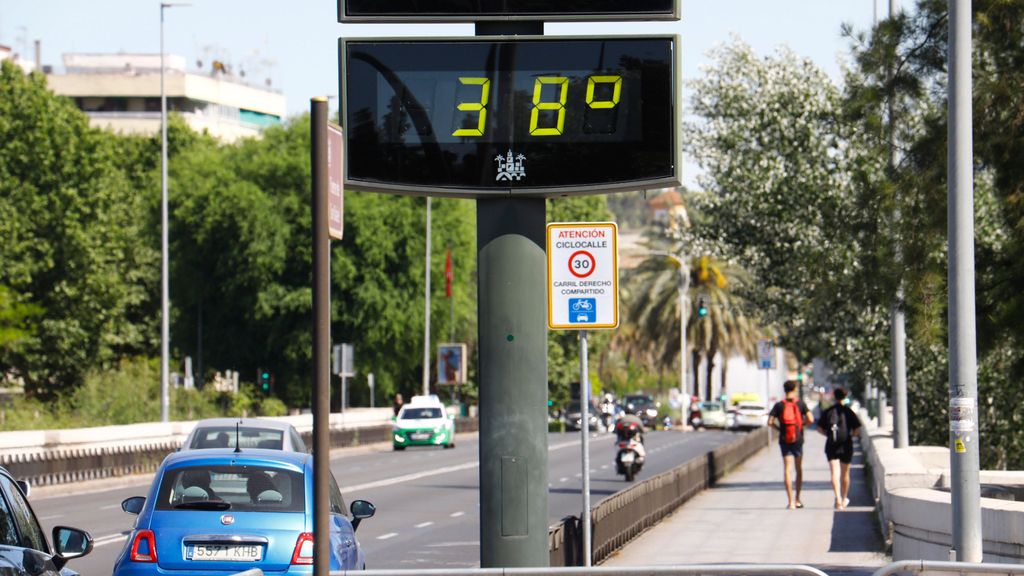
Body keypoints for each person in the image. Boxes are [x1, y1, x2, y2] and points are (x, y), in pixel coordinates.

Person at [768, 380, 814, 509]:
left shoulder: (779, 405)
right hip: (798, 440)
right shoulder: (800, 404)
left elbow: (770, 422)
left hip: (784, 439)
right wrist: (801, 426)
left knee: (787, 470)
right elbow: (811, 419)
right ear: (794, 389)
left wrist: (779, 429)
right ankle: (798, 499)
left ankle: (790, 502)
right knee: (798, 469)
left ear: (784, 390)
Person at [818, 387, 862, 510]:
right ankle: (843, 498)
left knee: (834, 473)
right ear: (845, 396)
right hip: (846, 445)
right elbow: (857, 429)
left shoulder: (828, 411)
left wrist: (828, 435)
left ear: (834, 397)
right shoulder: (848, 412)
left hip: (831, 445)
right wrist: (850, 435)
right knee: (845, 474)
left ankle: (837, 499)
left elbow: (819, 428)